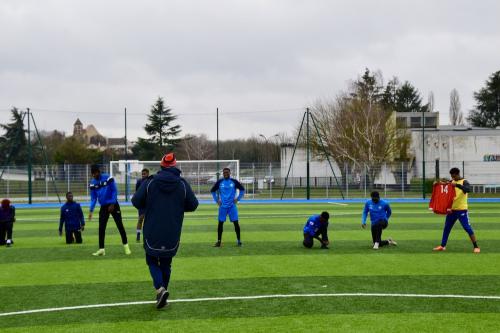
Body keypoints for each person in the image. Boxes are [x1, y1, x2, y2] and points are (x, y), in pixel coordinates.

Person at [132, 152, 198, 309]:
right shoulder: (182, 184)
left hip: (152, 229)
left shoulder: (150, 182)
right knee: (166, 263)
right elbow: (193, 204)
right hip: (172, 230)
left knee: (152, 260)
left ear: (161, 166)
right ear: (175, 166)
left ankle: (160, 289)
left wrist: (148, 205)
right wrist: (177, 207)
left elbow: (136, 200)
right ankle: (163, 295)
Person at [433, 167, 480, 253]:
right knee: (447, 228)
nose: (452, 178)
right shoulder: (452, 181)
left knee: (467, 228)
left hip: (462, 210)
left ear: (457, 174)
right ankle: (442, 246)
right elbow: (444, 184)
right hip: (451, 210)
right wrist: (437, 183)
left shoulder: (464, 181)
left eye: (453, 176)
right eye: (451, 176)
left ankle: (476, 246)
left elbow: (468, 189)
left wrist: (457, 185)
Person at [88, 164, 131, 256]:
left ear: (99, 171)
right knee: (101, 228)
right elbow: (93, 198)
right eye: (93, 174)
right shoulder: (92, 183)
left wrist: (112, 203)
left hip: (113, 205)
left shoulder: (108, 177)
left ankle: (126, 246)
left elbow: (114, 190)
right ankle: (101, 249)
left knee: (120, 225)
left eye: (96, 173)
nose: (95, 175)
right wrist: (91, 210)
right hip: (103, 207)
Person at [210, 167, 245, 247]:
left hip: (232, 207)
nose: (226, 174)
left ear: (230, 173)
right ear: (223, 173)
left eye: (227, 172)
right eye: (224, 172)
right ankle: (219, 242)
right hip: (223, 207)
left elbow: (242, 190)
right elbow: (212, 191)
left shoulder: (234, 182)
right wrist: (217, 200)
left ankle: (239, 241)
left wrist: (238, 199)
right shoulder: (220, 182)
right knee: (220, 224)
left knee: (236, 223)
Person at [135, 168, 150, 242]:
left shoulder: (151, 181)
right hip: (141, 204)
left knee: (149, 220)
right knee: (140, 218)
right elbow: (137, 192)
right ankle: (138, 235)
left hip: (149, 204)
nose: (143, 175)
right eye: (142, 174)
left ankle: (147, 235)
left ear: (148, 174)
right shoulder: (139, 181)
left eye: (144, 174)